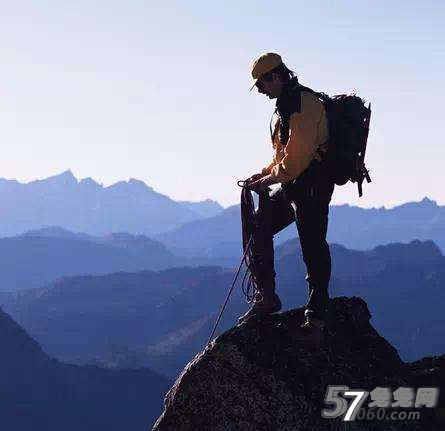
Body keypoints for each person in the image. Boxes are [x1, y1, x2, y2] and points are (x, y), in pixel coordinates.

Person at [238, 52, 335, 344]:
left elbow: (297, 159)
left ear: (275, 77)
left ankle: (316, 319)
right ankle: (266, 297)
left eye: (262, 84)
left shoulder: (304, 103)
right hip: (296, 185)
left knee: (312, 246)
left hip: (313, 185)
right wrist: (264, 174)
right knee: (259, 227)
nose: (262, 91)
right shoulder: (286, 105)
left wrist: (269, 179)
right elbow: (283, 156)